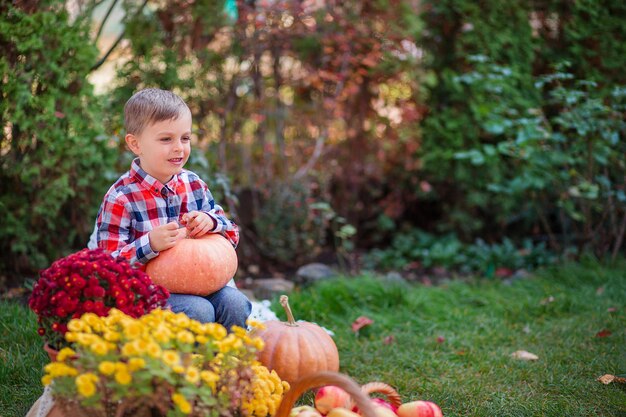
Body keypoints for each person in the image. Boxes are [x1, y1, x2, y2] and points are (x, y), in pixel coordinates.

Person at [89, 88, 250, 329]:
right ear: (135, 144)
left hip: (202, 283)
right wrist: (149, 244)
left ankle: (227, 362)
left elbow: (231, 235)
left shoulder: (193, 184)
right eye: (166, 139)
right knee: (199, 311)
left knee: (235, 302)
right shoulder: (121, 198)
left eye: (185, 138)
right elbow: (107, 267)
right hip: (145, 295)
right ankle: (185, 366)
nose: (179, 147)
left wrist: (211, 222)